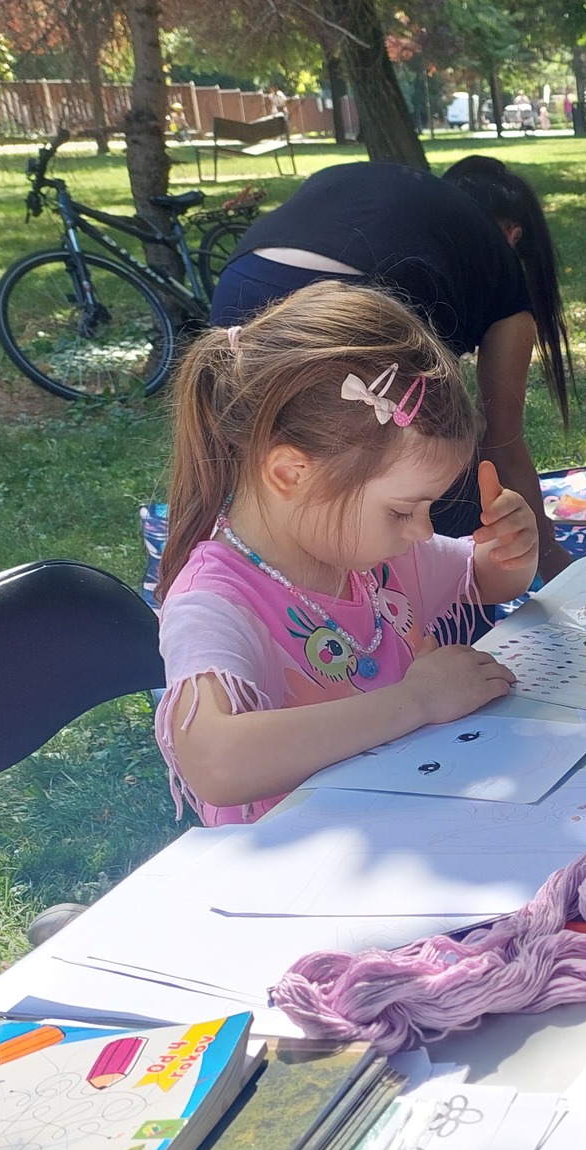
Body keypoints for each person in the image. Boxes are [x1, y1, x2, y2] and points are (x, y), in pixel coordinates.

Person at [152, 285, 539, 827]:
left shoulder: (372, 555)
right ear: (291, 474)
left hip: (408, 825)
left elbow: (485, 580)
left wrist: (510, 550)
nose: (422, 530)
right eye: (402, 510)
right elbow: (216, 763)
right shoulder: (215, 602)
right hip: (298, 867)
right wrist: (417, 701)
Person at [210, 156, 574, 576]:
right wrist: (548, 556)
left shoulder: (413, 201)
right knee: (426, 473)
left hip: (245, 278)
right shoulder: (504, 273)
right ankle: (409, 607)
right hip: (365, 295)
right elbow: (502, 440)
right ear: (514, 236)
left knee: (271, 458)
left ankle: (252, 577)